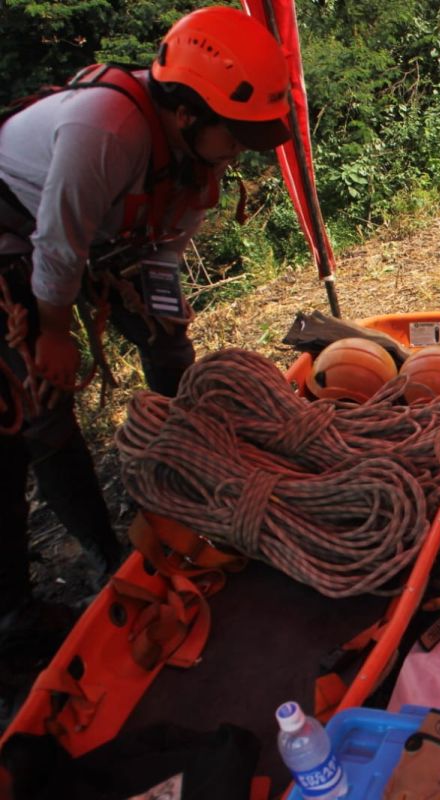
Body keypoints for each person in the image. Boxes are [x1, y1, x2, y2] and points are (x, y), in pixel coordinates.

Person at [0, 5, 292, 630]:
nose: (240, 151)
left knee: (168, 343)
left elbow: (163, 245)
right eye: (235, 134)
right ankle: (93, 566)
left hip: (98, 239)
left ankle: (194, 467)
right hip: (16, 230)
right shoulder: (104, 129)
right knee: (36, 407)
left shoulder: (197, 158)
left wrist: (163, 306)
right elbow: (58, 244)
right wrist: (52, 332)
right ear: (186, 113)